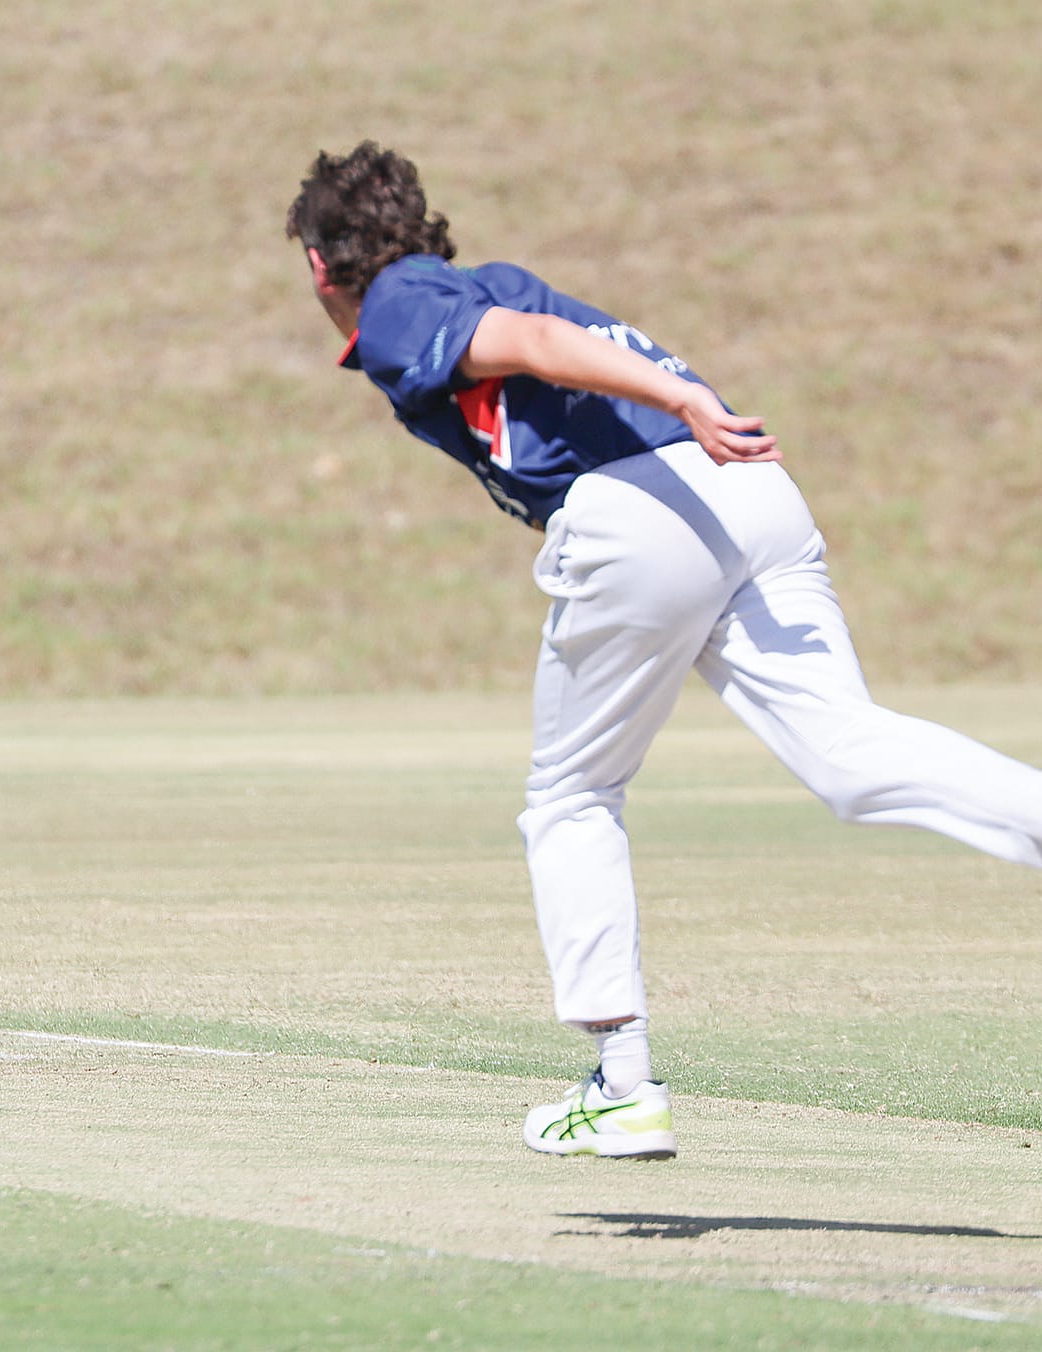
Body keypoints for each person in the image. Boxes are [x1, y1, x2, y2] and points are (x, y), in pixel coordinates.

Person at [285, 142, 1042, 1158]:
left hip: (646, 502)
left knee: (568, 794)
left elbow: (531, 340)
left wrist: (679, 399)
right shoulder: (466, 275)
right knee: (849, 755)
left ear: (315, 264)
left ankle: (621, 1083)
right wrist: (685, 400)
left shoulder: (398, 301)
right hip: (748, 498)